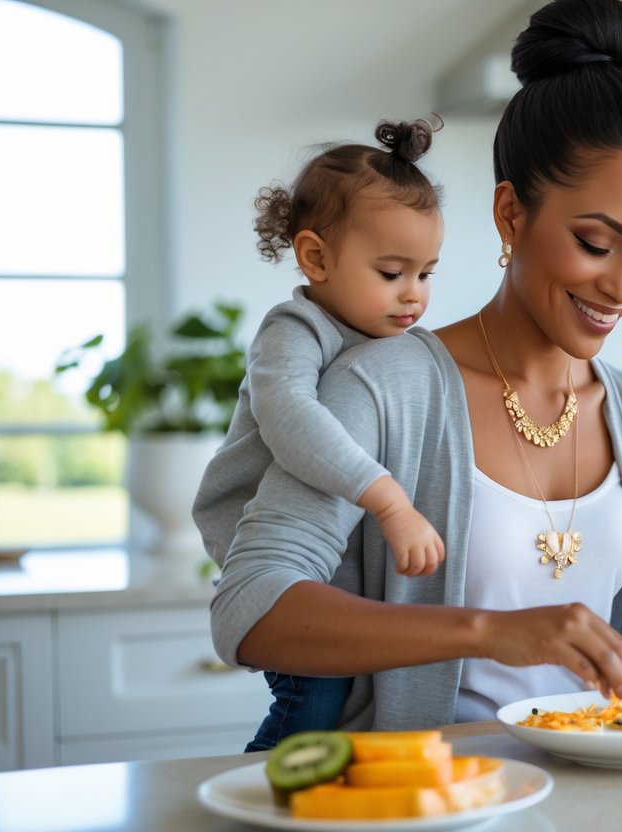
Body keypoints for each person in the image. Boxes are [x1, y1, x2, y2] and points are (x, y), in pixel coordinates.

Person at [202, 0, 622, 741]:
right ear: (511, 216)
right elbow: (251, 605)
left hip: (606, 797)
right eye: (594, 242)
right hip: (431, 803)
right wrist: (487, 630)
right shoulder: (383, 387)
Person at [193, 118, 447, 750]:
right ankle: (262, 786)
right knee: (317, 695)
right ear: (315, 257)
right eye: (392, 272)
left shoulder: (399, 345)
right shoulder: (294, 330)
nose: (413, 294)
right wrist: (389, 500)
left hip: (345, 553)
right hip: (269, 544)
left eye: (426, 273)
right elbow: (291, 420)